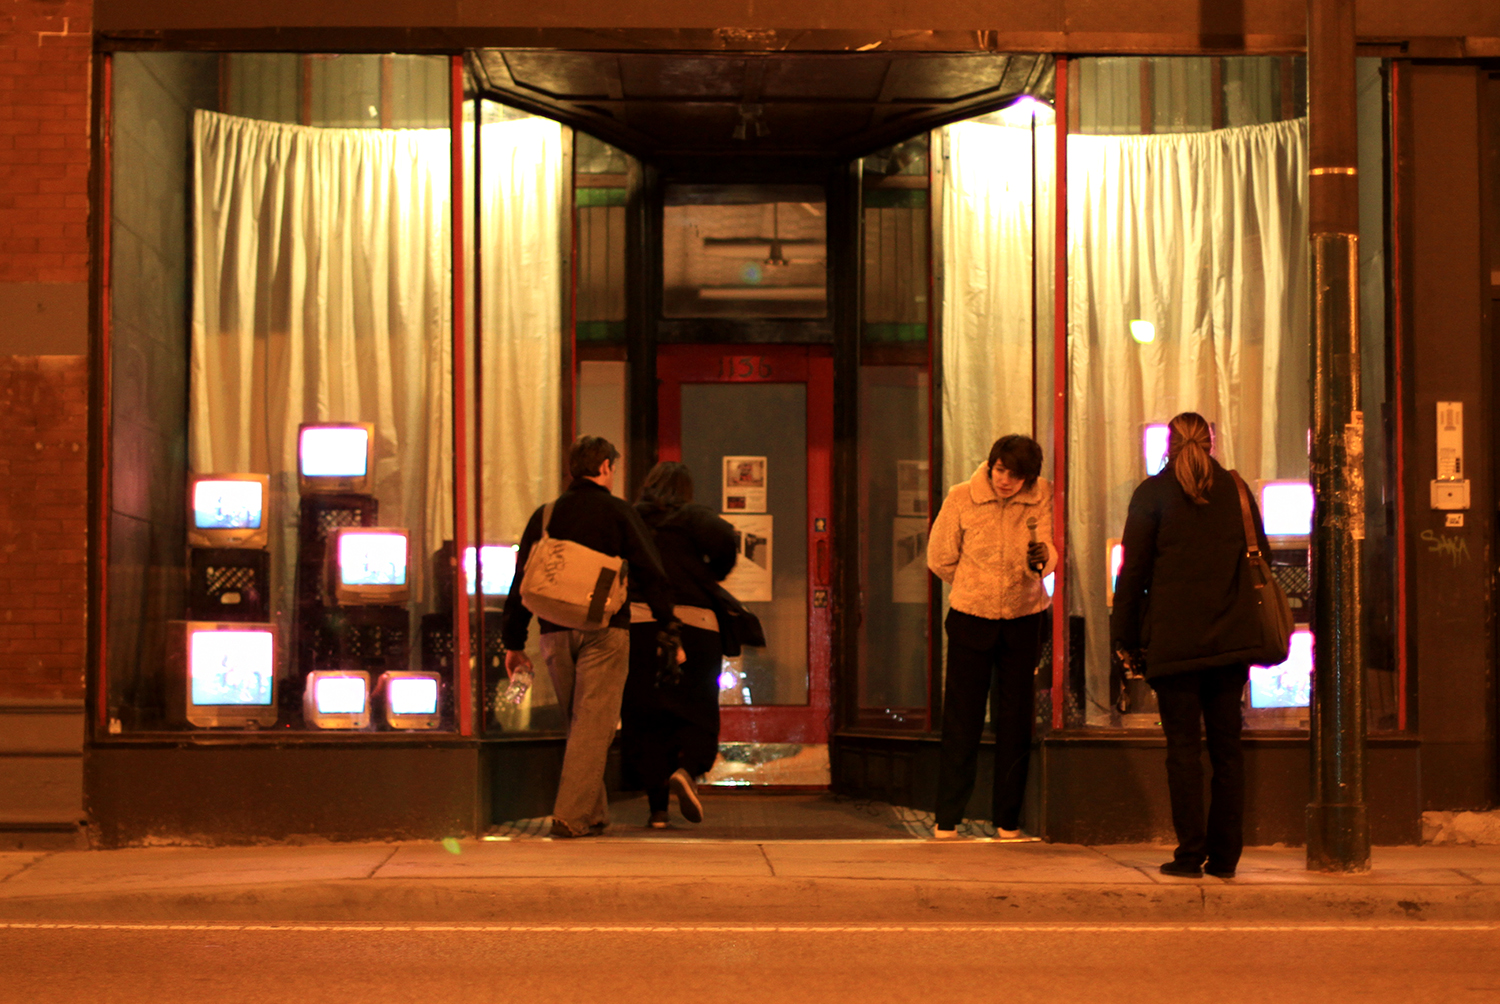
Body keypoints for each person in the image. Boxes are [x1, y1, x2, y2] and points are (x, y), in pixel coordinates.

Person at [1110, 412, 1271, 879]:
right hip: (1230, 644)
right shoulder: (1237, 492)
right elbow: (1259, 556)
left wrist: (1122, 635)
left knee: (1183, 750)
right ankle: (1225, 857)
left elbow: (1132, 574)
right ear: (1212, 443)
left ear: (1169, 444)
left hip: (1174, 645)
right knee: (1227, 749)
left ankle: (1189, 855)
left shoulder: (1151, 494)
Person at [501, 436, 679, 838]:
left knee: (580, 724)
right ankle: (570, 815)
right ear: (604, 467)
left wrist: (513, 641)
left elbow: (521, 581)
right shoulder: (619, 513)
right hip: (604, 630)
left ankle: (594, 811)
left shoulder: (545, 516)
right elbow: (651, 570)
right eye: (612, 467)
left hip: (554, 630)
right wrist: (667, 621)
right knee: (593, 726)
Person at [926, 434, 1056, 840]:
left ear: (1029, 479)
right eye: (1001, 470)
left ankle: (1008, 820)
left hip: (1023, 617)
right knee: (961, 721)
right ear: (991, 464)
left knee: (1015, 722)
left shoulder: (1041, 497)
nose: (1005, 481)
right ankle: (948, 818)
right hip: (970, 617)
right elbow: (940, 557)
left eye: (1016, 476)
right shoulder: (962, 496)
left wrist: (1043, 562)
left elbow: (1050, 550)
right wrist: (974, 583)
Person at [621, 462, 738, 828]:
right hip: (697, 622)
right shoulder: (695, 517)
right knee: (699, 706)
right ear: (686, 489)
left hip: (640, 622)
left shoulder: (632, 519)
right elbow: (726, 544)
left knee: (646, 716)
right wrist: (707, 574)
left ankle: (657, 811)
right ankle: (688, 771)